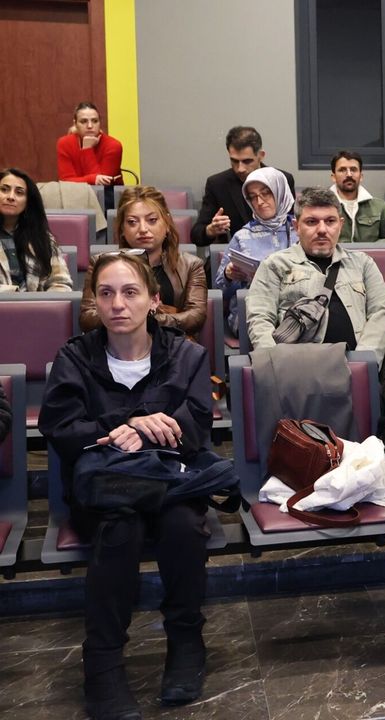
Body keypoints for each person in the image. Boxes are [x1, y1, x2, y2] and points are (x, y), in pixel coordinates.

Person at [39, 251, 214, 719]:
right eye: (106, 293)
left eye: (130, 292)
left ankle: (186, 642)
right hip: (105, 486)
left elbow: (197, 423)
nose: (118, 304)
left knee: (182, 526)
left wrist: (147, 433)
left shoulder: (187, 355)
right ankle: (102, 664)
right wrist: (130, 423)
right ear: (95, 301)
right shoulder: (74, 357)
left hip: (169, 482)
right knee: (120, 526)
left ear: (154, 300)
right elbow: (61, 427)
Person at [245, 188, 385, 358]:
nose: (322, 229)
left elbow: (381, 313)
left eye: (330, 221)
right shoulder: (274, 265)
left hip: (354, 363)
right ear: (296, 226)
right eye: (311, 222)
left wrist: (364, 360)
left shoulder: (363, 263)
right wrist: (275, 362)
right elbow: (260, 319)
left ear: (340, 225)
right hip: (298, 364)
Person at [82, 187, 207, 336]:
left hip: (173, 343)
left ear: (167, 223)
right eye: (132, 222)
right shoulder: (100, 263)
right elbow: (88, 318)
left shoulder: (191, 265)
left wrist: (141, 319)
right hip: (115, 341)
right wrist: (149, 315)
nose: (142, 229)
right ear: (122, 228)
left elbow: (196, 317)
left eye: (152, 220)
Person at [213, 167, 295, 338]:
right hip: (253, 312)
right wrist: (229, 275)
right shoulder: (243, 236)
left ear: (280, 192)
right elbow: (219, 290)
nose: (259, 201)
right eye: (253, 196)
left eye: (266, 193)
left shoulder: (300, 230)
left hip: (296, 310)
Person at [192, 126, 296, 248]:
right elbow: (196, 235)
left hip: (278, 249)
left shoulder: (282, 179)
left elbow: (292, 224)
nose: (240, 169)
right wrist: (210, 230)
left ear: (261, 155)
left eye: (247, 161)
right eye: (234, 161)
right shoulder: (217, 184)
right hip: (237, 251)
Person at [0, 167, 73, 292]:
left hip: (37, 304)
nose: (11, 197)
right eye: (4, 190)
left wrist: (45, 302)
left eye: (19, 192)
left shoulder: (43, 238)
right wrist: (13, 295)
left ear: (28, 202)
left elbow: (61, 282)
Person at [329, 151, 385, 243]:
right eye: (342, 170)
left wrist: (375, 247)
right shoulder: (321, 207)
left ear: (361, 176)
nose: (349, 174)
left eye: (353, 170)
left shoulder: (379, 207)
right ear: (333, 177)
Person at [56, 102, 122, 188]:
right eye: (83, 121)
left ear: (100, 123)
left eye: (95, 121)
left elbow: (101, 187)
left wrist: (87, 149)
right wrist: (93, 179)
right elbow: (65, 183)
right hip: (74, 194)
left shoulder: (113, 145)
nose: (90, 126)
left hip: (108, 195)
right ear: (75, 124)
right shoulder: (64, 143)